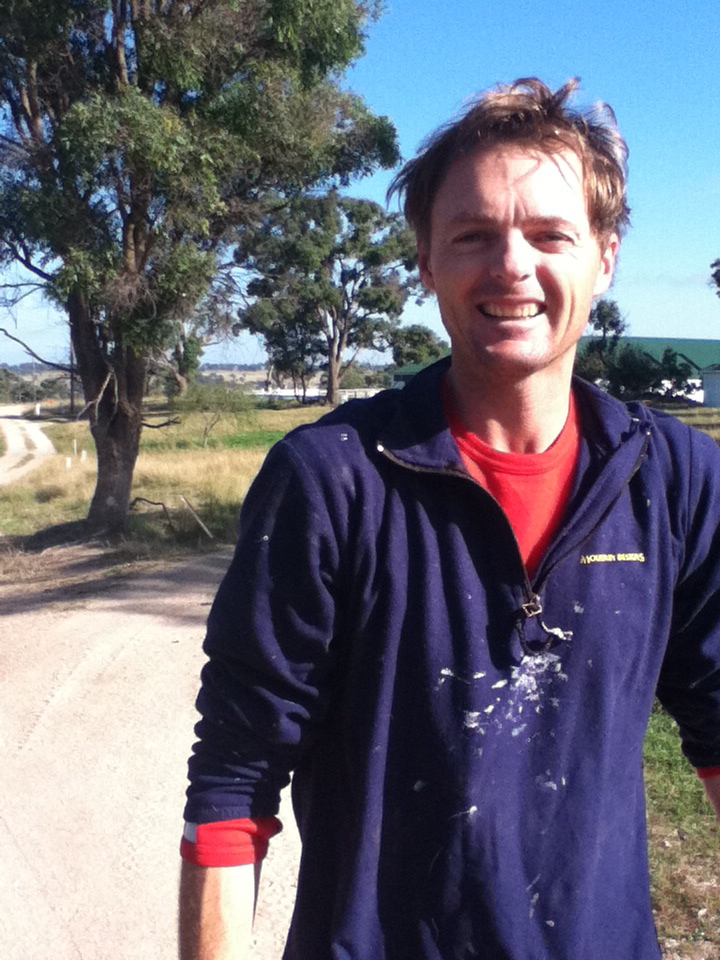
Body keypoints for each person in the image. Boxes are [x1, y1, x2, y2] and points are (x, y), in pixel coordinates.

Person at [179, 78, 720, 960]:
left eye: (550, 235)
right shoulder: (331, 481)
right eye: (473, 235)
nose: (511, 265)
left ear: (605, 256)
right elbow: (234, 779)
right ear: (427, 261)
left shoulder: (676, 482)